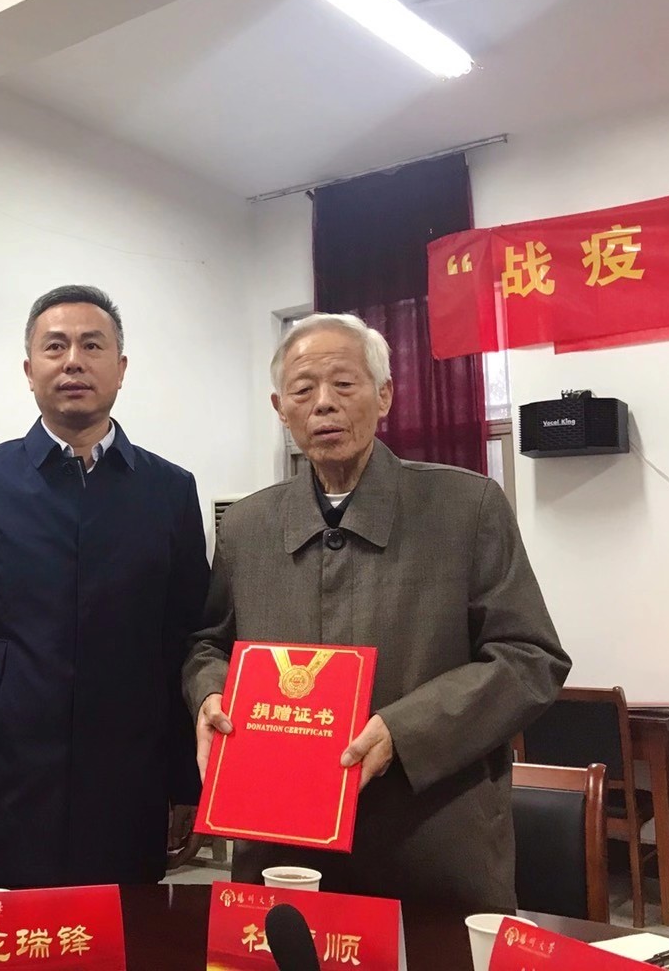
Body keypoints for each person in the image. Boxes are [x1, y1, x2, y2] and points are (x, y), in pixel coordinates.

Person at [183, 312, 570, 911]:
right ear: (280, 408)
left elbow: (529, 658)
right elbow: (208, 643)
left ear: (384, 395)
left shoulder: (465, 506)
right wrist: (210, 695)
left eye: (344, 384)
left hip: (432, 837)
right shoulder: (249, 526)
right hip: (282, 843)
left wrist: (404, 731)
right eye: (303, 389)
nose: (323, 404)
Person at [0, 284, 209, 888]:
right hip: (2, 788)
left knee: (127, 935)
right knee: (6, 935)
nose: (73, 361)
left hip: (130, 788)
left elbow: (186, 643)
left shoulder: (169, 491)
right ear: (30, 371)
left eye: (91, 345)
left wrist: (187, 782)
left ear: (120, 369)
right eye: (55, 346)